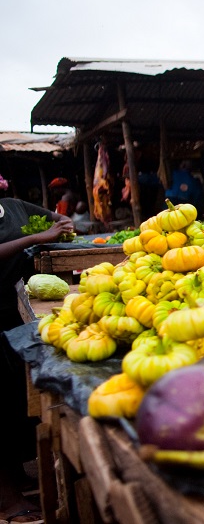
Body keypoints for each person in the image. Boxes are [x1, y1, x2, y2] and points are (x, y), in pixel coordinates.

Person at [0, 182, 74, 517]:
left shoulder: (12, 206)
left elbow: (54, 221)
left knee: (16, 398)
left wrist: (63, 226)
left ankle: (17, 476)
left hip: (14, 313)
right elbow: (39, 235)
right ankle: (8, 499)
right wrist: (35, 239)